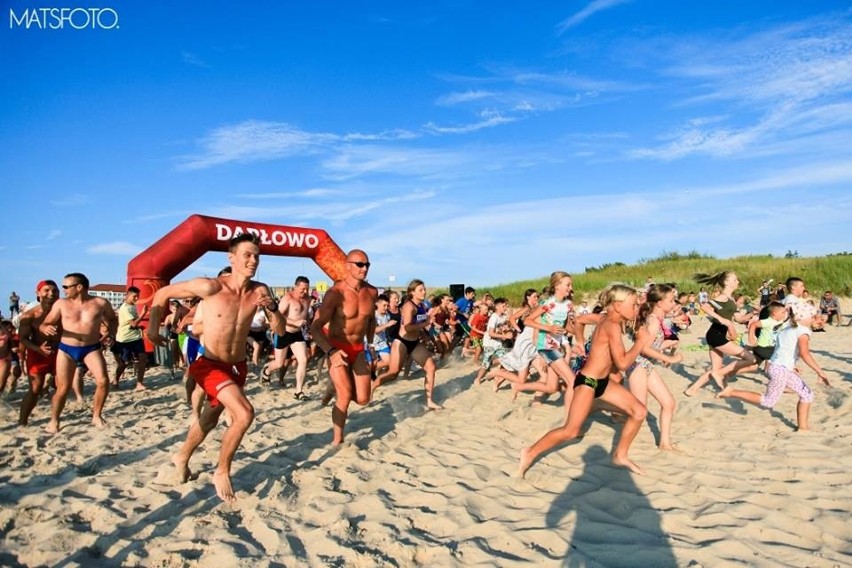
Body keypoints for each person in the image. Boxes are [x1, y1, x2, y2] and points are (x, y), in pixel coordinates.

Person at [147, 232, 284, 503]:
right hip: (209, 364)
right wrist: (152, 329)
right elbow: (162, 293)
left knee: (209, 420)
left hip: (237, 367)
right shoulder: (210, 287)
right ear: (231, 258)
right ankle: (221, 471)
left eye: (257, 256)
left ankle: (182, 456)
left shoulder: (260, 290)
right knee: (244, 414)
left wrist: (273, 309)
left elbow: (278, 330)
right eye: (247, 255)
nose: (253, 260)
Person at [519, 284, 651, 477]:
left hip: (603, 383)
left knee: (639, 412)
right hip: (587, 383)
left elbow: (579, 320)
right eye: (633, 305)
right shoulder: (611, 325)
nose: (636, 309)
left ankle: (620, 455)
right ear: (617, 305)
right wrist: (640, 342)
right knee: (571, 431)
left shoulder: (605, 318)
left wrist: (580, 342)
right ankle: (529, 452)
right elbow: (622, 363)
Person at [717, 303, 830, 431]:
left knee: (807, 394)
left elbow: (782, 350)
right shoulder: (802, 332)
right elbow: (805, 354)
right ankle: (730, 392)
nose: (815, 318)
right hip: (780, 370)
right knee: (768, 401)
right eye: (812, 316)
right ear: (800, 318)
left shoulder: (787, 328)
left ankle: (803, 428)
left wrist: (791, 366)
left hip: (781, 368)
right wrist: (820, 372)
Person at [310, 249, 380, 445]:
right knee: (345, 395)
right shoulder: (336, 293)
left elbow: (371, 321)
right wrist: (330, 352)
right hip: (337, 347)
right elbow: (314, 328)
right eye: (360, 264)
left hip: (358, 349)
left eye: (367, 264)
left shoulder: (372, 292)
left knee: (364, 399)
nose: (364, 268)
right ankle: (337, 440)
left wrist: (371, 344)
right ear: (348, 266)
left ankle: (333, 387)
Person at [39, 273, 117, 433]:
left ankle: (96, 415)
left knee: (103, 381)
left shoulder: (100, 302)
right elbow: (45, 323)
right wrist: (45, 328)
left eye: (67, 286)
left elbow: (113, 319)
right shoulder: (61, 304)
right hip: (67, 348)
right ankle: (54, 420)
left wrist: (111, 334)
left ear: (79, 287)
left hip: (91, 348)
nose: (64, 290)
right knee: (63, 388)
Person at [371, 278, 443, 411]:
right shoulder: (409, 306)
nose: (424, 291)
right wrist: (426, 323)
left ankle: (430, 401)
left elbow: (418, 326)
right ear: (412, 292)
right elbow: (408, 327)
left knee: (431, 367)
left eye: (424, 289)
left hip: (414, 342)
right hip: (402, 342)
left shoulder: (422, 306)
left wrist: (425, 335)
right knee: (393, 373)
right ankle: (373, 385)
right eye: (420, 290)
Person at [625, 284, 682, 451]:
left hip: (647, 365)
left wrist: (668, 343)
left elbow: (652, 345)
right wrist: (669, 358)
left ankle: (665, 443)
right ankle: (602, 405)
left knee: (669, 403)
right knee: (639, 410)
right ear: (659, 303)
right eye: (671, 300)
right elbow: (643, 348)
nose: (673, 304)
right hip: (638, 366)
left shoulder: (657, 320)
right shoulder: (653, 320)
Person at [684, 271, 756, 396]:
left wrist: (753, 314)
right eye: (735, 279)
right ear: (727, 282)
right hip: (717, 335)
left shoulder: (731, 299)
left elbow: (739, 319)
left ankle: (692, 389)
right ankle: (722, 375)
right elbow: (705, 307)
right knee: (750, 358)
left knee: (716, 369)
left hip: (716, 334)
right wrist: (723, 320)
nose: (737, 282)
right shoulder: (722, 297)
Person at [18, 280, 61, 425]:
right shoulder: (29, 316)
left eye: (54, 291)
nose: (51, 293)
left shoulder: (63, 311)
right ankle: (22, 421)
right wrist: (37, 349)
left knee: (61, 386)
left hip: (59, 351)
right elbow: (23, 339)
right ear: (38, 293)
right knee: (35, 389)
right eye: (47, 290)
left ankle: (55, 419)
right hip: (37, 353)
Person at [262, 276, 312, 399]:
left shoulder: (308, 299)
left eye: (307, 289)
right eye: (302, 289)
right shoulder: (288, 298)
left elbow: (306, 316)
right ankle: (267, 371)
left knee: (303, 360)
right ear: (295, 287)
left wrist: (308, 328)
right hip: (283, 332)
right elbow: (278, 316)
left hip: (297, 334)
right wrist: (295, 322)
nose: (305, 292)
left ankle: (299, 391)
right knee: (279, 363)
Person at [111, 286, 149, 391]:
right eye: (134, 296)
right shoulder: (125, 308)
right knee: (124, 363)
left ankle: (139, 383)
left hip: (136, 338)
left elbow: (134, 325)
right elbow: (133, 324)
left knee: (142, 359)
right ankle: (115, 380)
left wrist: (139, 326)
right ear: (127, 296)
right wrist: (143, 314)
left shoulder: (132, 306)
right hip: (124, 340)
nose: (136, 298)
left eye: (138, 296)